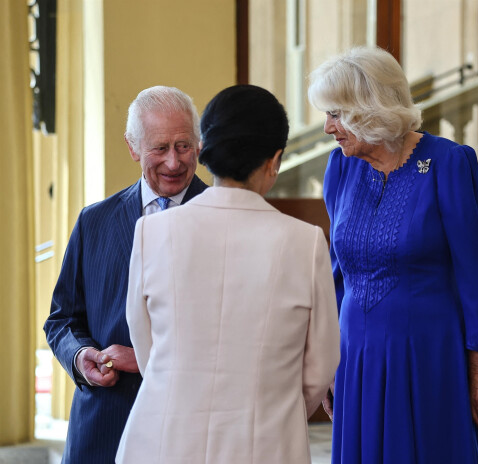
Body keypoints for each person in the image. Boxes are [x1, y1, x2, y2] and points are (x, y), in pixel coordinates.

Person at [115, 84, 341, 464]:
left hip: (162, 440)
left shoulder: (151, 233)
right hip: (264, 444)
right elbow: (319, 367)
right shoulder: (306, 243)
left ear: (205, 150)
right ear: (275, 159)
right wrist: (270, 411)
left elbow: (147, 346)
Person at [308, 46, 478, 463]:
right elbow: (336, 272)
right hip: (356, 355)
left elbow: (476, 271)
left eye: (336, 114)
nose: (328, 128)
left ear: (369, 108)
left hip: (429, 355)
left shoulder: (449, 162)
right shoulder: (341, 167)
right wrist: (326, 357)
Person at [44, 86, 208, 464]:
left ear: (199, 145)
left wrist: (145, 358)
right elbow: (62, 319)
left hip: (193, 429)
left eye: (184, 146)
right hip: (104, 427)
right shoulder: (94, 221)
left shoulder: (224, 221)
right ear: (133, 148)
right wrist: (81, 356)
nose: (173, 162)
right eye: (159, 148)